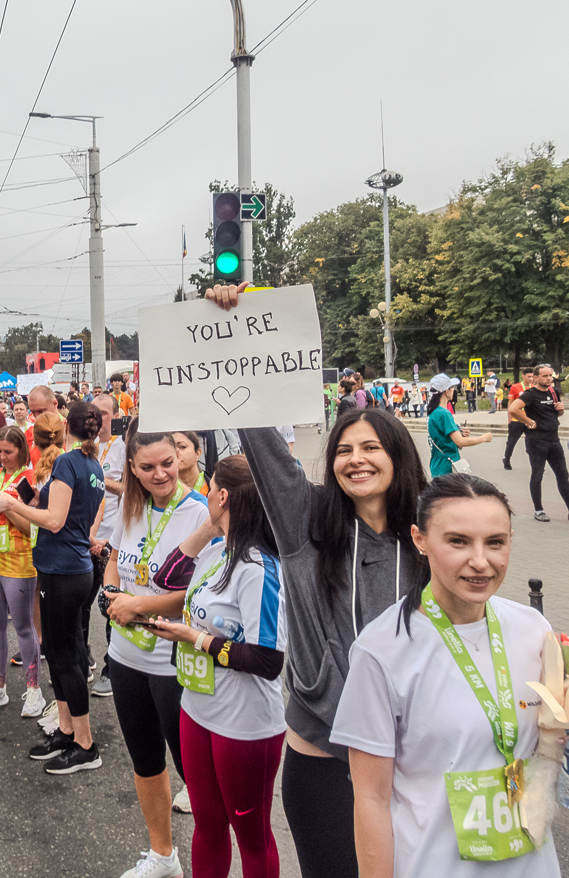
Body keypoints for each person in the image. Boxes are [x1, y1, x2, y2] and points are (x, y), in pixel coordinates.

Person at [205, 280, 428, 878]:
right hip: (322, 754)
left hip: (412, 752)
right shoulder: (306, 523)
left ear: (399, 457)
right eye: (343, 449)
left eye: (372, 447)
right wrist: (238, 330)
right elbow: (262, 442)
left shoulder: (430, 535)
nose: (355, 458)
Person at [332, 474, 557, 877]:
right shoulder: (382, 650)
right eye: (458, 541)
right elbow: (370, 798)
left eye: (495, 542)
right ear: (420, 539)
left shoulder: (532, 629)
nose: (480, 561)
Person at [144, 456, 287, 878]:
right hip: (198, 707)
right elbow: (167, 578)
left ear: (222, 496)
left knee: (251, 833)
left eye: (209, 489)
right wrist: (212, 524)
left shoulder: (259, 568)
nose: (203, 493)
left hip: (245, 722)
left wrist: (197, 639)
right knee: (207, 823)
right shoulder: (216, 549)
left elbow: (268, 661)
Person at [97, 426, 210, 878]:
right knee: (146, 761)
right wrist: (109, 591)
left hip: (174, 662)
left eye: (168, 462)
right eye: (147, 467)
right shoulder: (131, 504)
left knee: (196, 775)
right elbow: (114, 558)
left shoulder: (201, 513)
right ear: (132, 468)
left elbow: (201, 590)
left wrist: (139, 604)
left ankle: (212, 857)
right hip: (125, 656)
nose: (161, 473)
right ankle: (164, 856)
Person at [0, 402, 106, 775]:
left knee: (66, 656)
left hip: (63, 570)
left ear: (67, 430)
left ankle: (85, 744)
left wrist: (12, 504)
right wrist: (32, 497)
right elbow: (65, 511)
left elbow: (54, 521)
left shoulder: (69, 462)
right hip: (70, 568)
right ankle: (67, 729)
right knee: (57, 652)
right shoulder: (93, 466)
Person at [86, 394, 127, 699]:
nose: (97, 419)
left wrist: (100, 479)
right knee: (80, 605)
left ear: (115, 415)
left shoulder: (124, 447)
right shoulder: (84, 446)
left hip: (113, 539)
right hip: (85, 539)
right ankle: (82, 658)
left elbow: (130, 488)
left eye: (103, 413)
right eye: (93, 413)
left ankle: (112, 669)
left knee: (113, 605)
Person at [508, 364, 569, 522]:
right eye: (545, 376)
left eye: (550, 375)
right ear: (535, 378)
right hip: (536, 442)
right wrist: (528, 421)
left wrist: (561, 410)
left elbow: (557, 413)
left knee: (563, 476)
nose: (549, 378)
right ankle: (539, 510)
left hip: (554, 441)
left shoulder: (554, 392)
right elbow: (513, 409)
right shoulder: (530, 394)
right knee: (537, 475)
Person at [426, 373, 492, 477]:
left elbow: (444, 440)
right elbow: (460, 442)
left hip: (437, 465)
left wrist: (460, 434)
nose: (454, 390)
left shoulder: (433, 412)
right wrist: (484, 438)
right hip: (448, 467)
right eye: (452, 388)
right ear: (446, 391)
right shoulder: (444, 413)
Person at [502, 368, 535, 470]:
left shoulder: (534, 387)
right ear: (523, 376)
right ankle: (507, 458)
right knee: (512, 441)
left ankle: (535, 464)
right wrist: (509, 418)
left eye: (532, 376)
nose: (531, 379)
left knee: (532, 443)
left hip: (529, 420)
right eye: (529, 376)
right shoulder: (515, 387)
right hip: (517, 420)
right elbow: (510, 404)